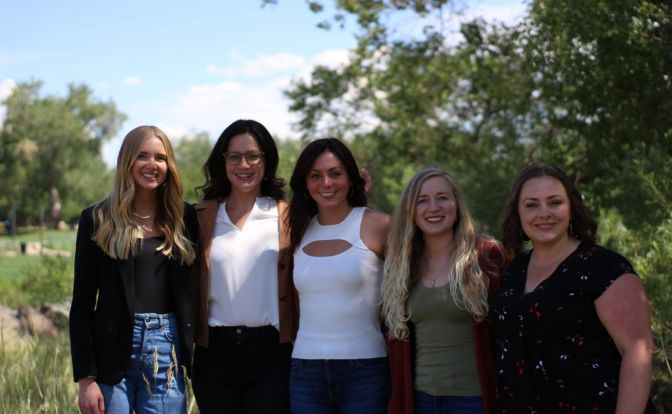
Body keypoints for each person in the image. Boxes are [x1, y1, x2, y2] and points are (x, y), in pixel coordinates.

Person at [490, 162, 654, 413]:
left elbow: (637, 352)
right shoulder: (514, 270)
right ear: (518, 213)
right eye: (531, 205)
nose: (544, 213)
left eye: (555, 202)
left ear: (572, 208)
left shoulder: (604, 267)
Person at [69, 125, 198, 414]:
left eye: (160, 158)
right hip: (111, 357)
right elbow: (82, 304)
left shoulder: (184, 217)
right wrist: (85, 379)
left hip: (166, 352)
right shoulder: (97, 219)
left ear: (169, 165)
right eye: (142, 156)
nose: (152, 164)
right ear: (127, 160)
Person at [190, 119, 297, 414]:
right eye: (234, 157)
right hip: (214, 355)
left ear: (266, 160)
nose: (244, 165)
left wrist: (357, 195)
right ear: (223, 162)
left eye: (252, 156)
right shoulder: (201, 217)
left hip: (272, 354)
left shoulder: (288, 217)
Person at [382, 167, 509, 414]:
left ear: (457, 205)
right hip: (420, 401)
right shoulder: (403, 265)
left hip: (473, 401)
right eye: (422, 200)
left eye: (442, 197)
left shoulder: (487, 257)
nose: (433, 207)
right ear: (410, 211)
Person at [287, 138, 391, 413]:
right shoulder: (296, 229)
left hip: (366, 370)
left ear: (351, 178)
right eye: (315, 176)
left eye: (335, 173)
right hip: (305, 371)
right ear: (305, 183)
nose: (326, 183)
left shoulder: (380, 225)